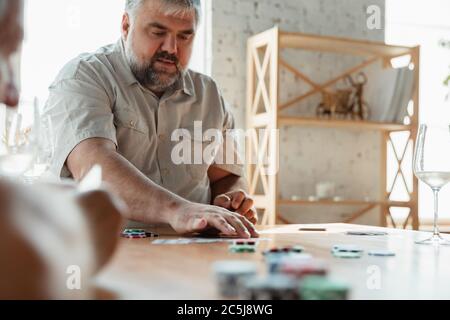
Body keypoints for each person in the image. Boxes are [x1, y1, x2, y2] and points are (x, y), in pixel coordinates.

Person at [43, 0, 259, 238]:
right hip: (106, 249)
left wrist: (231, 199)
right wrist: (180, 211)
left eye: (185, 37)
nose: (172, 48)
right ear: (126, 25)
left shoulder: (209, 93)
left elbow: (227, 175)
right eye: (158, 32)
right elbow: (93, 167)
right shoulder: (83, 76)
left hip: (194, 251)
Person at [0, 0, 123, 299]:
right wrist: (72, 221)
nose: (13, 94)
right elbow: (29, 270)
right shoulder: (86, 73)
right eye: (3, 50)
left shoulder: (205, 90)